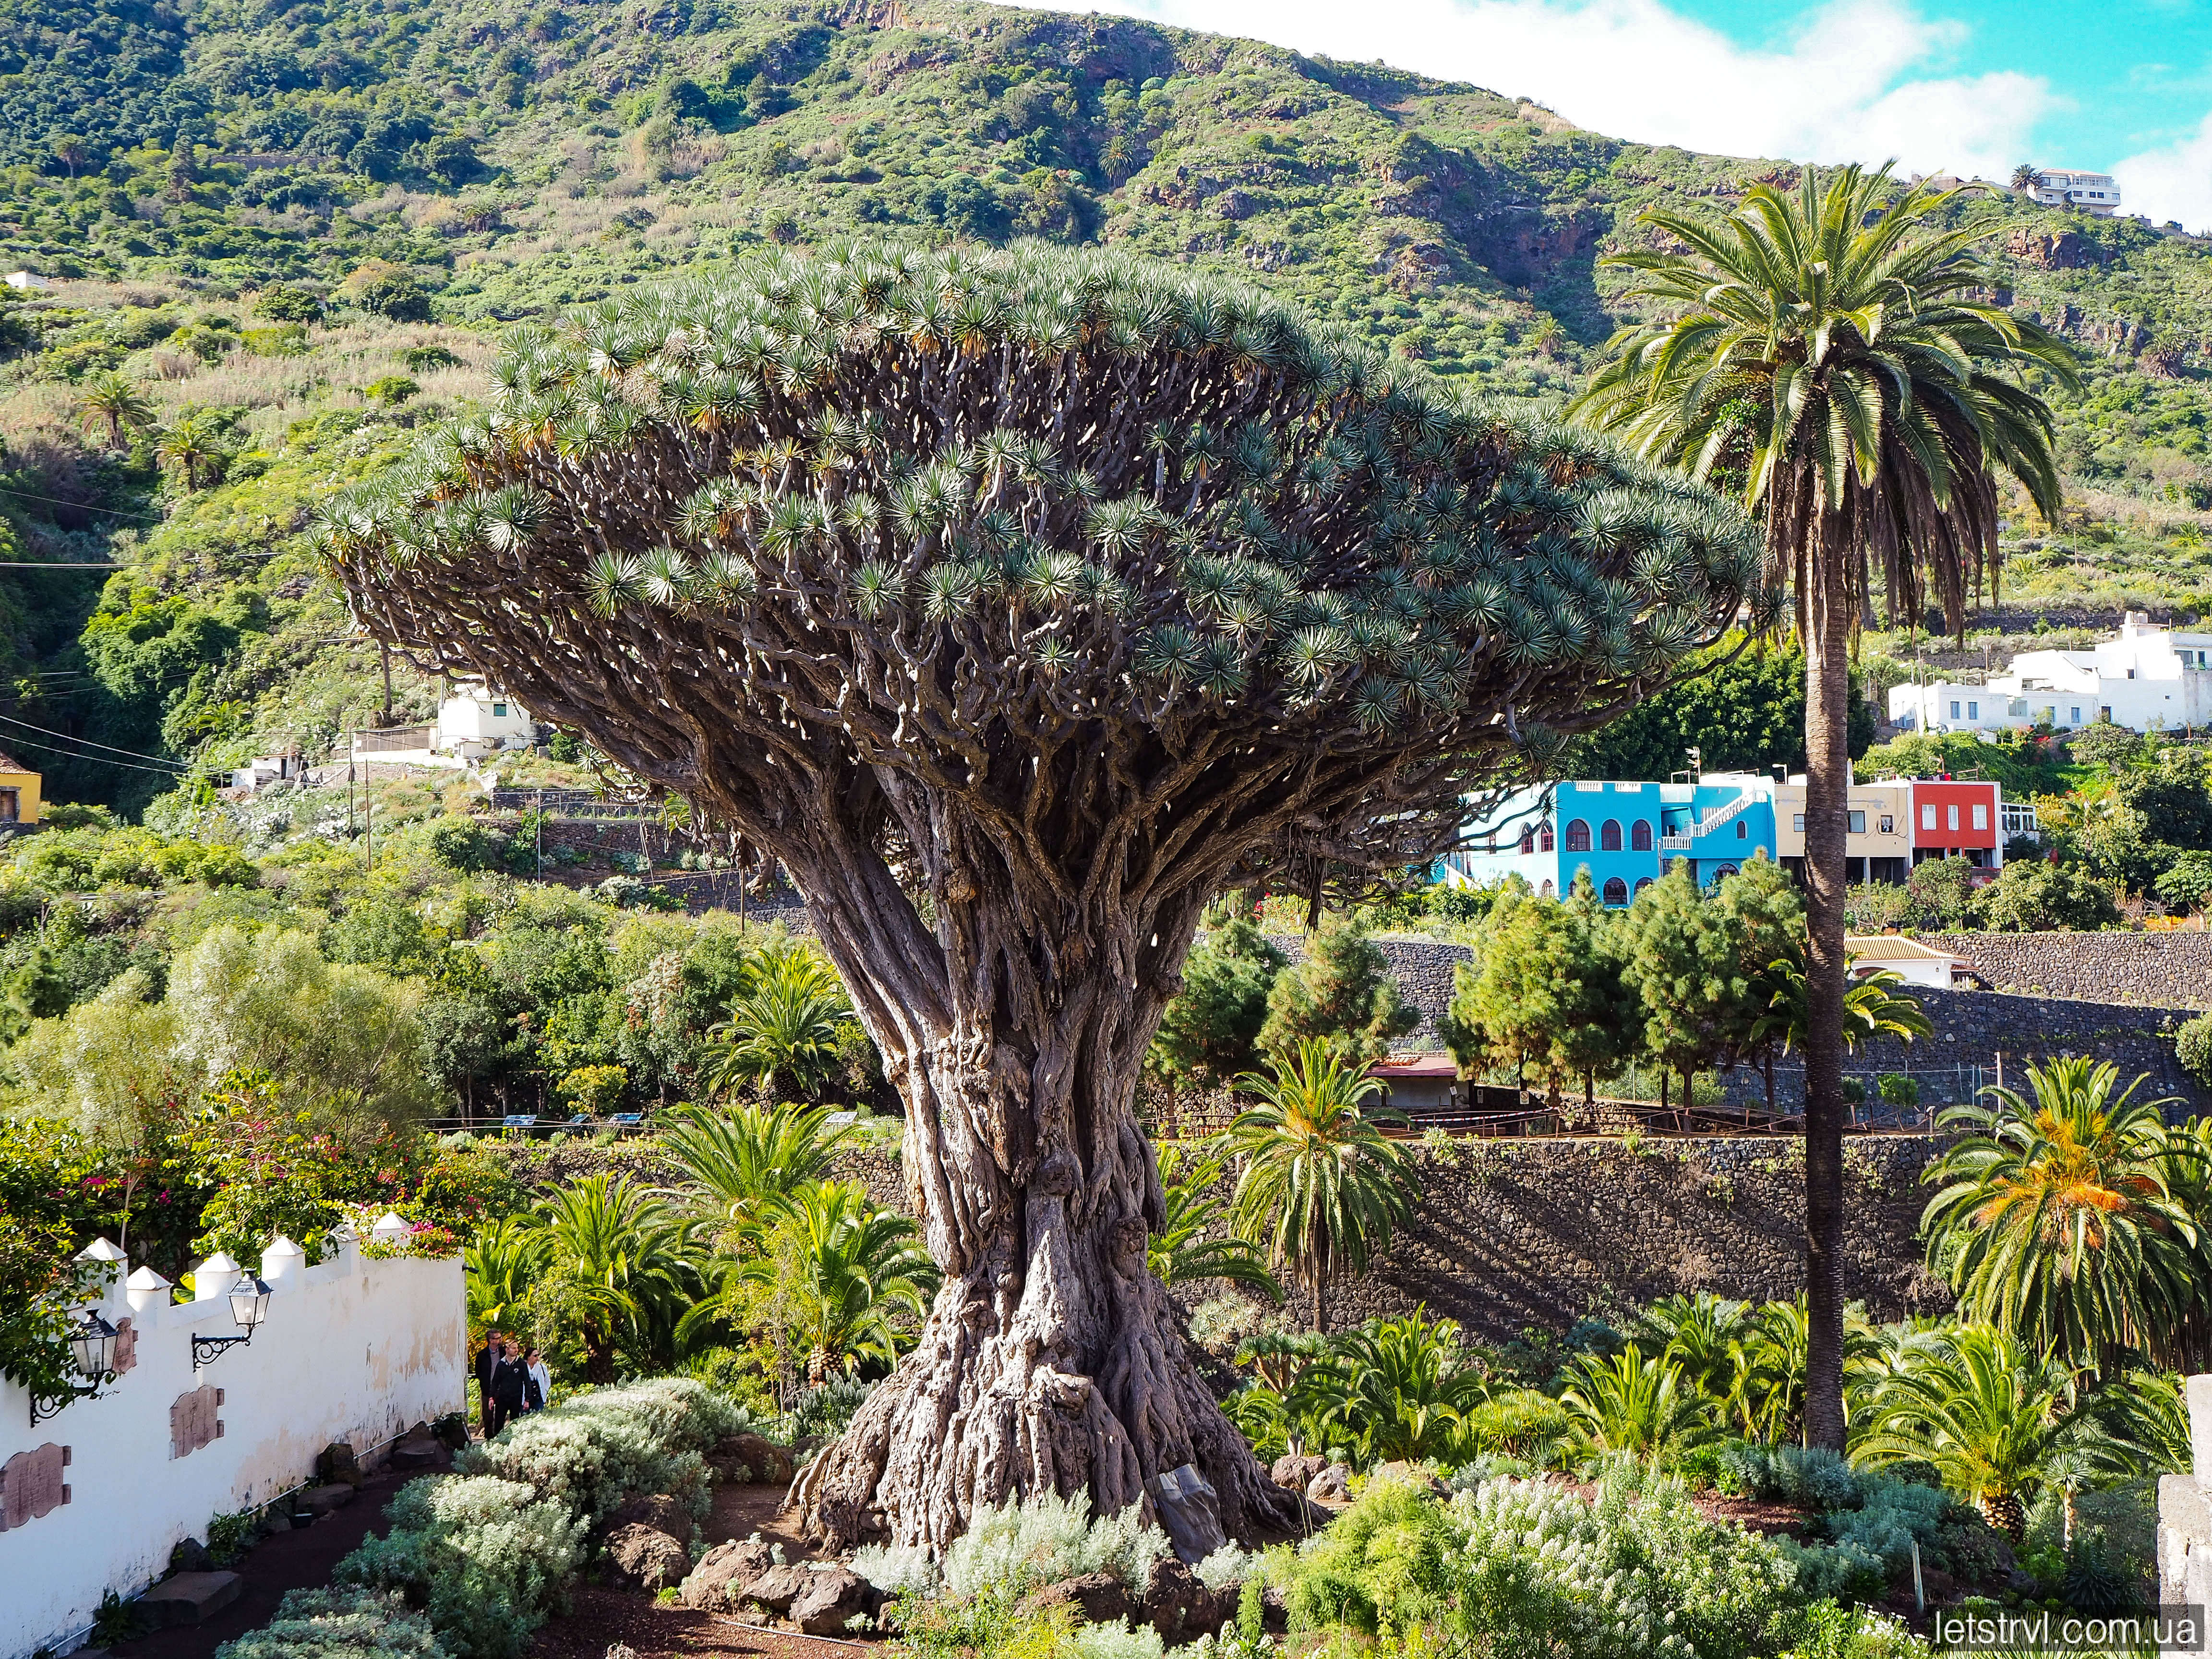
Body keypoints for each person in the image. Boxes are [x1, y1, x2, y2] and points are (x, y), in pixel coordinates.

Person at [487, 1339, 528, 1436]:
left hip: (516, 1398)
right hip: (502, 1398)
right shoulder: (501, 1364)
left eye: (517, 1348)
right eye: (514, 1348)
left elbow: (527, 1382)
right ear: (507, 1349)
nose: (516, 1350)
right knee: (498, 1424)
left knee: (515, 1424)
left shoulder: (521, 1363)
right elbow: (495, 1382)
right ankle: (497, 1443)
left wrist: (527, 1399)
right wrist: (491, 1397)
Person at [475, 1329, 505, 1435]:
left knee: (501, 1416)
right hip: (488, 1390)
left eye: (499, 1338)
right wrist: (484, 1382)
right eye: (495, 1338)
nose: (498, 1341)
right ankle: (488, 1438)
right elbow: (478, 1372)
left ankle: (500, 1438)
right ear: (490, 1340)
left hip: (502, 1389)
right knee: (488, 1417)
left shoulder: (504, 1353)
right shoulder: (482, 1355)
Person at [524, 1348, 552, 1415]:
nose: (537, 1358)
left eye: (538, 1355)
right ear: (529, 1357)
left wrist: (545, 1390)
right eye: (535, 1356)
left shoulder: (542, 1368)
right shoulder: (522, 1368)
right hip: (524, 1400)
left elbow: (547, 1381)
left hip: (539, 1399)